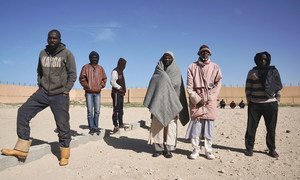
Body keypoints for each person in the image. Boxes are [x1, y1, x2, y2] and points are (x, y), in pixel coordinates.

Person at [1, 29, 77, 166]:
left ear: (60, 39)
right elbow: (39, 71)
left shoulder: (67, 54)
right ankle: (21, 149)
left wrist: (66, 91)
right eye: (50, 38)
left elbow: (72, 74)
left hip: (60, 95)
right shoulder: (42, 53)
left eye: (55, 38)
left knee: (62, 124)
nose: (52, 40)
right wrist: (40, 85)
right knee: (23, 112)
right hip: (43, 93)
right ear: (47, 39)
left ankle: (65, 153)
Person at [144, 51, 189, 158]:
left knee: (171, 127)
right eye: (165, 57)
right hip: (158, 103)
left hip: (172, 104)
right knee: (157, 127)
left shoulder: (176, 71)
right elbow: (153, 86)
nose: (167, 59)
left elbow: (179, 88)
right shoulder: (158, 70)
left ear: (173, 59)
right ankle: (158, 149)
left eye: (169, 58)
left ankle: (168, 149)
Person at [185, 45, 222, 160]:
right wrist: (197, 99)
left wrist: (210, 97)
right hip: (197, 101)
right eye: (203, 52)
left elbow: (218, 83)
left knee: (209, 127)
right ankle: (195, 149)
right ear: (199, 54)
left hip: (210, 101)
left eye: (207, 52)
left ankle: (208, 150)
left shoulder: (215, 67)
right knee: (196, 126)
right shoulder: (192, 67)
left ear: (210, 54)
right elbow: (189, 87)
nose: (205, 54)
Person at [244, 51, 282, 158]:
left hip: (271, 104)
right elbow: (248, 88)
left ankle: (272, 149)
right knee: (251, 127)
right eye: (260, 59)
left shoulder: (273, 71)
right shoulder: (252, 72)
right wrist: (249, 101)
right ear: (256, 60)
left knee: (271, 128)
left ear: (268, 59)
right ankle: (249, 148)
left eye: (265, 59)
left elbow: (278, 86)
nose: (263, 61)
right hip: (254, 105)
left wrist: (277, 100)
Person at [79, 51, 107, 135]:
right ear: (90, 58)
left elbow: (104, 78)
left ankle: (96, 127)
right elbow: (82, 78)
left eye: (96, 58)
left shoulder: (100, 68)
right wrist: (87, 86)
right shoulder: (85, 67)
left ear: (98, 59)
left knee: (97, 111)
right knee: (90, 111)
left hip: (98, 92)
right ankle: (91, 127)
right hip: (89, 93)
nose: (94, 59)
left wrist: (100, 86)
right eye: (93, 57)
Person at [110, 58, 127, 132]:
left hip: (121, 93)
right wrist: (119, 87)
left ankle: (121, 123)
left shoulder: (121, 71)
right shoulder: (115, 71)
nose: (124, 66)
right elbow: (112, 82)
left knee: (121, 109)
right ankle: (115, 125)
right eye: (123, 64)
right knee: (116, 109)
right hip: (116, 93)